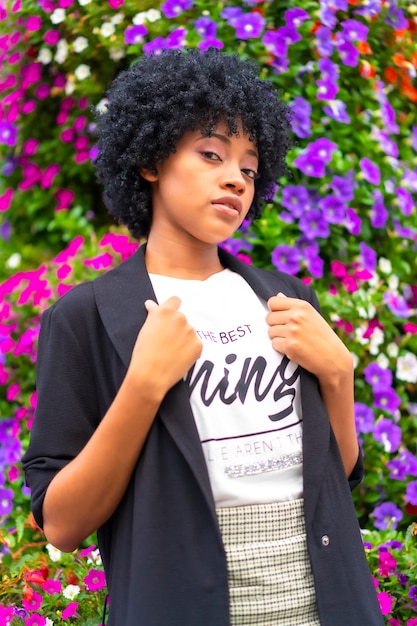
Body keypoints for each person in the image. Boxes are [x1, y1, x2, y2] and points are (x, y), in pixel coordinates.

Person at [22, 48, 384, 626]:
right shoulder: (85, 316)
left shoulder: (286, 300)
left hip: (325, 604)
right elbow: (62, 525)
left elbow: (331, 480)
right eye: (211, 154)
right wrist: (142, 386)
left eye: (248, 165)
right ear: (150, 161)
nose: (234, 179)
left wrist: (339, 376)